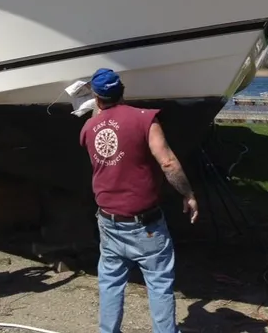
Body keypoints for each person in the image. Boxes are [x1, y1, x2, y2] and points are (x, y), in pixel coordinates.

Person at [80, 68, 199, 333]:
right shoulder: (145, 120)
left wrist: (97, 111)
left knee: (110, 282)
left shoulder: (89, 128)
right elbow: (167, 162)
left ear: (96, 98)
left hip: (108, 221)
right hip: (145, 224)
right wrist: (188, 194)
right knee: (158, 284)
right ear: (123, 90)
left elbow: (105, 156)